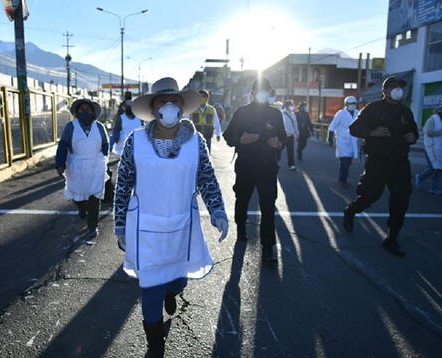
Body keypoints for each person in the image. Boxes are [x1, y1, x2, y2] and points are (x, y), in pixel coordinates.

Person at [114, 77, 228, 357]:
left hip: (182, 227)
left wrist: (217, 210)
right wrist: (119, 223)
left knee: (178, 281)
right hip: (145, 228)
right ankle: (156, 345)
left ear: (182, 108)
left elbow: (206, 177)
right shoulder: (136, 141)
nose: (168, 107)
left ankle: (172, 290)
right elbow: (124, 181)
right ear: (153, 110)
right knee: (150, 287)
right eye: (162, 102)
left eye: (174, 101)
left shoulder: (195, 142)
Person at [342, 76, 418, 257]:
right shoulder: (373, 108)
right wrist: (372, 132)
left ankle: (392, 238)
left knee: (401, 198)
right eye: (394, 86)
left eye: (400, 86)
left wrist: (413, 137)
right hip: (378, 160)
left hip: (400, 161)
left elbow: (413, 130)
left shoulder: (405, 111)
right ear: (385, 91)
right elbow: (354, 128)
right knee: (370, 195)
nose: (398, 89)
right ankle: (351, 211)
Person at [223, 77, 286, 262]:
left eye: (266, 91)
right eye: (259, 91)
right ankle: (241, 227)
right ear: (251, 93)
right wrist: (241, 139)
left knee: (268, 208)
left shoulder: (275, 114)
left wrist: (279, 143)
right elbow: (228, 136)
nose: (263, 94)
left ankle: (268, 248)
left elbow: (283, 136)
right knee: (242, 199)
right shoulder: (241, 112)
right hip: (245, 166)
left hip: (268, 167)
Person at [56, 98, 109, 239]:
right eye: (81, 109)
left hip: (95, 165)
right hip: (76, 164)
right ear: (76, 112)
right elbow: (63, 145)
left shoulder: (99, 127)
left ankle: (92, 226)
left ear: (93, 112)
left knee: (95, 196)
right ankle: (81, 208)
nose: (84, 112)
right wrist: (60, 164)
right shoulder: (70, 127)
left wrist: (105, 161)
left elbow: (105, 145)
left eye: (88, 110)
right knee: (76, 193)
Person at [415, 104, 442, 195]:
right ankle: (420, 177)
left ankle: (435, 187)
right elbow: (429, 132)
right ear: (440, 113)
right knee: (434, 167)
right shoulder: (432, 120)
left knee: (440, 168)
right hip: (431, 148)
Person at [328, 96, 360, 188]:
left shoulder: (358, 113)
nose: (353, 105)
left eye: (354, 104)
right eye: (351, 104)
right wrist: (330, 139)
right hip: (342, 141)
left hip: (353, 141)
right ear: (346, 104)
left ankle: (343, 178)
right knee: (344, 162)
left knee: (348, 162)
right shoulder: (340, 113)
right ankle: (342, 180)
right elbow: (332, 126)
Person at [280, 99, 299, 170]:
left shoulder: (293, 114)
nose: (292, 106)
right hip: (283, 135)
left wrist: (297, 134)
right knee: (279, 149)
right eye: (291, 105)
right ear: (286, 106)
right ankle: (276, 161)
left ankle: (291, 165)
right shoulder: (281, 113)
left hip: (290, 135)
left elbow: (295, 124)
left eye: (292, 105)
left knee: (290, 151)